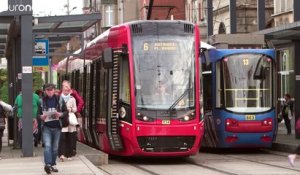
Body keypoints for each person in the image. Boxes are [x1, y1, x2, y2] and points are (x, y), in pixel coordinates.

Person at [40, 83, 68, 174]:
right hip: (46, 127)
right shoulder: (42, 101)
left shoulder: (59, 99)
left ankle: (52, 164)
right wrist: (41, 117)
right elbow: (38, 114)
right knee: (48, 146)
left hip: (57, 127)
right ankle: (48, 165)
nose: (49, 92)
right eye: (47, 90)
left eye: (51, 90)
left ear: (54, 90)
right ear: (45, 91)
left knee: (55, 148)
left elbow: (66, 111)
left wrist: (60, 114)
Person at [61, 80, 84, 156]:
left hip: (71, 117)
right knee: (63, 136)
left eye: (67, 86)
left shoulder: (73, 93)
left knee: (71, 135)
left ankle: (71, 151)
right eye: (65, 86)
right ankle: (63, 152)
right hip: (62, 118)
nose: (66, 88)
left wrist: (76, 111)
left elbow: (81, 102)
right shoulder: (59, 95)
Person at [58, 85, 77, 161]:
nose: (66, 92)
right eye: (64, 90)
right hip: (62, 119)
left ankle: (69, 154)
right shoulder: (58, 98)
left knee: (70, 137)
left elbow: (75, 109)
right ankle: (61, 154)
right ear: (62, 91)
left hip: (70, 120)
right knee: (62, 137)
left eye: (67, 91)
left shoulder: (72, 99)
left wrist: (71, 109)